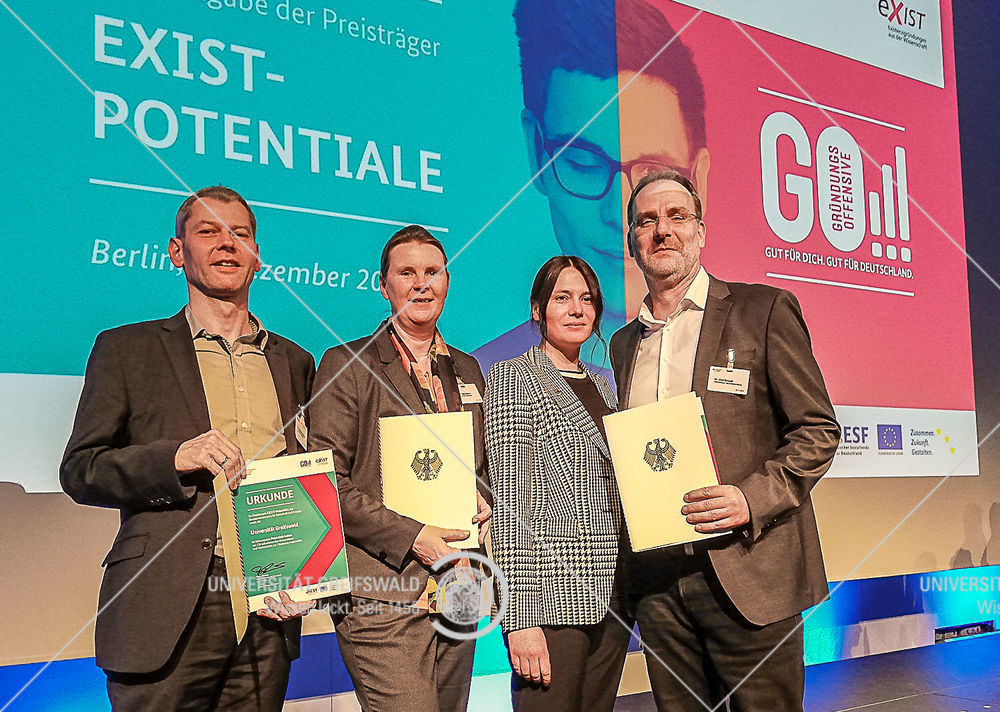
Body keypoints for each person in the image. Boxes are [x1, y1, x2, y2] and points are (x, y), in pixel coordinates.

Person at [60, 186, 316, 710]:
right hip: (166, 603)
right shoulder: (127, 349)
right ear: (177, 252)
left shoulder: (295, 361)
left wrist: (305, 569)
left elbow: (304, 478)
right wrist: (174, 458)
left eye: (240, 234)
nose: (227, 243)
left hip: (268, 603)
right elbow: (81, 469)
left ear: (256, 256)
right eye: (208, 231)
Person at [609, 170, 841, 711]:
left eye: (677, 216)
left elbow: (817, 430)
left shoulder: (763, 310)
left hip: (749, 567)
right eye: (647, 221)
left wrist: (749, 498)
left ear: (701, 230)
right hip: (660, 585)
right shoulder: (624, 344)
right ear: (633, 241)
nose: (662, 230)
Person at [308, 225, 492, 712]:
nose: (421, 284)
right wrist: (414, 537)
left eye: (432, 272)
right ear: (383, 285)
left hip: (459, 587)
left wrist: (484, 499)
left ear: (447, 282)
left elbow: (480, 466)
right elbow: (327, 484)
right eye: (407, 273)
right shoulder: (347, 363)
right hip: (383, 593)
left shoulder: (468, 369)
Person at [474, 0, 710, 373]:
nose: (621, 216)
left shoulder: (742, 334)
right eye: (584, 164)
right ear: (536, 151)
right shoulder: (491, 374)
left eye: (653, 172)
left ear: (698, 180)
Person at [484, 256, 631, 712]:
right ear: (537, 310)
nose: (576, 309)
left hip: (615, 595)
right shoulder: (514, 377)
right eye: (562, 298)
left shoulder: (605, 387)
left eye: (586, 299)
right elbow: (513, 504)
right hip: (551, 598)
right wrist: (519, 618)